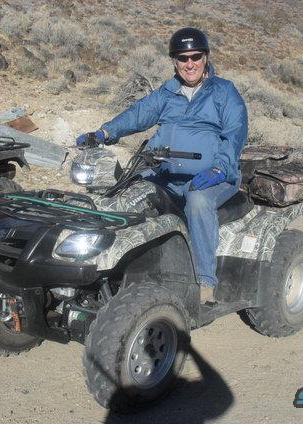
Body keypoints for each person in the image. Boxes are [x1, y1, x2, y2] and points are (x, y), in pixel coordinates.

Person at [76, 27, 248, 303]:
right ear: (174, 60)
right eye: (182, 58)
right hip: (166, 173)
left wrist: (218, 169)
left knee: (198, 203)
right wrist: (104, 133)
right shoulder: (167, 92)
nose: (189, 64)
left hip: (211, 178)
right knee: (125, 194)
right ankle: (103, 267)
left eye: (195, 56)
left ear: (205, 58)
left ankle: (205, 282)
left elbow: (235, 133)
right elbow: (138, 114)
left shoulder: (224, 92)